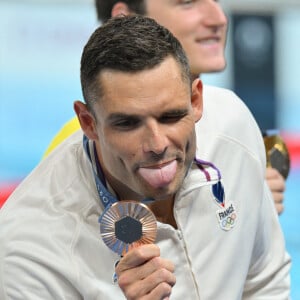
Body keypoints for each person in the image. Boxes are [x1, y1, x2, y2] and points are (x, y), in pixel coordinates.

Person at [0, 15, 290, 299]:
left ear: (195, 101)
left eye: (171, 116)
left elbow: (265, 279)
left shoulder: (232, 129)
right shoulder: (29, 252)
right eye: (127, 123)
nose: (157, 144)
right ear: (88, 123)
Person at [43, 0, 286, 215]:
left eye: (216, 0)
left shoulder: (227, 117)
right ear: (125, 19)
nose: (219, 19)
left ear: (196, 101)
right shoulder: (76, 144)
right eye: (188, 2)